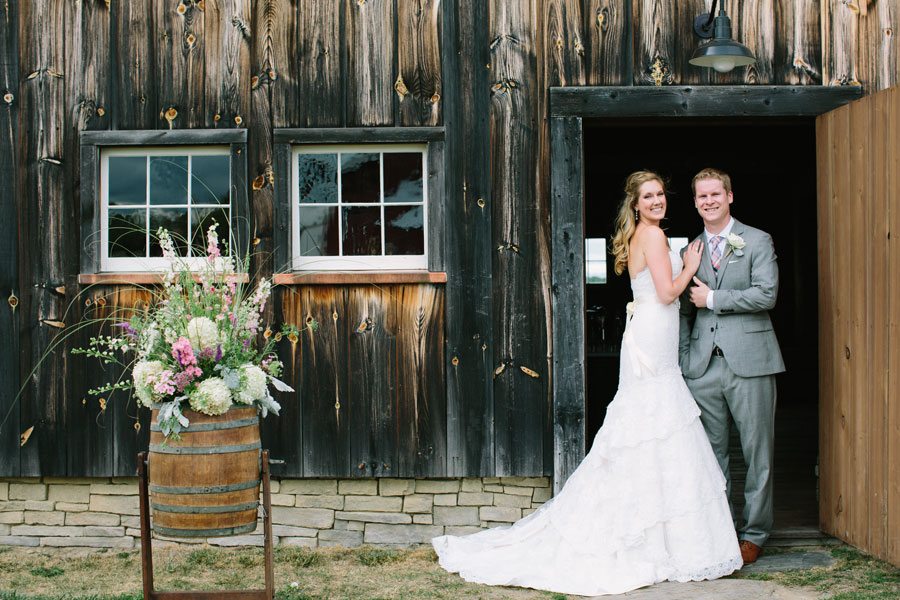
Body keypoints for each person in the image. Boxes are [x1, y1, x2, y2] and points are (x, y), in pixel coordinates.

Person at [432, 171, 742, 596]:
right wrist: (688, 265)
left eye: (660, 195)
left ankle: (657, 529)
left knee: (652, 424)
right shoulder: (652, 236)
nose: (656, 201)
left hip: (651, 332)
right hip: (653, 332)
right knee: (657, 419)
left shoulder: (647, 234)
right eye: (647, 196)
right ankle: (657, 533)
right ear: (635, 204)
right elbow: (668, 294)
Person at [679, 167, 785, 565]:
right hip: (703, 367)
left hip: (752, 364)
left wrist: (715, 299)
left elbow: (766, 294)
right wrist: (687, 360)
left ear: (730, 196)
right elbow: (682, 312)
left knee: (758, 453)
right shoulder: (690, 249)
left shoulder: (757, 240)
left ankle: (754, 534)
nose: (709, 201)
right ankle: (720, 531)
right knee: (711, 455)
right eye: (702, 196)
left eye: (715, 194)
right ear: (695, 202)